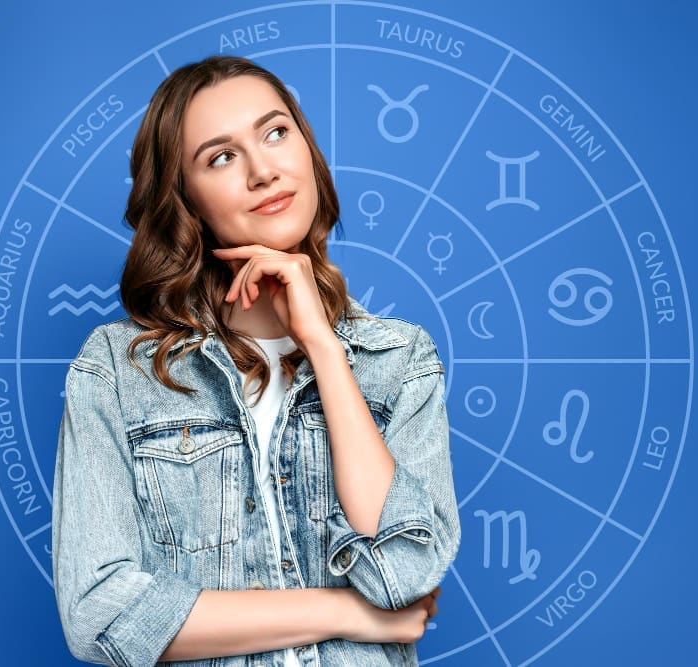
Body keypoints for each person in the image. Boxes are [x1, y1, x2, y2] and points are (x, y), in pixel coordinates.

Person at [51, 54, 462, 667]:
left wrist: (324, 348)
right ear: (185, 198)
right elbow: (101, 614)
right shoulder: (117, 369)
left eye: (276, 133)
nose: (263, 171)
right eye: (221, 156)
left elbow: (402, 572)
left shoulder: (399, 360)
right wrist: (348, 613)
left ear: (308, 151)